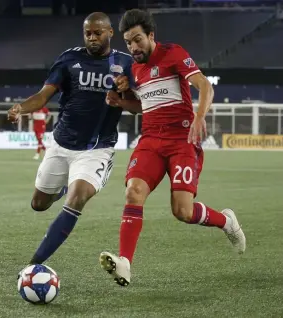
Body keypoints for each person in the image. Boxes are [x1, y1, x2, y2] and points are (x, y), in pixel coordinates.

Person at [99, 9, 246, 287]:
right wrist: (122, 103)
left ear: (151, 36)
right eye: (128, 42)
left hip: (182, 141)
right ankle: (125, 263)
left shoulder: (173, 53)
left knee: (183, 212)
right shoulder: (134, 69)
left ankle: (226, 222)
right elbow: (143, 107)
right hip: (151, 140)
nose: (133, 47)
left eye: (138, 40)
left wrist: (199, 116)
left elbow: (204, 86)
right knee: (134, 191)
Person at [7, 12, 134, 268]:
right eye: (88, 33)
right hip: (61, 143)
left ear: (110, 33)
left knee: (77, 197)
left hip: (96, 149)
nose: (92, 37)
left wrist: (126, 91)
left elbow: (139, 105)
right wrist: (20, 108)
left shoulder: (127, 63)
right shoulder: (69, 59)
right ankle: (62, 187)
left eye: (97, 32)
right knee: (38, 204)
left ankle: (33, 265)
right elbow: (44, 96)